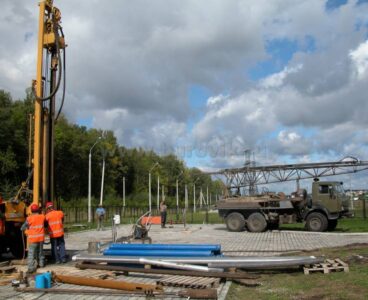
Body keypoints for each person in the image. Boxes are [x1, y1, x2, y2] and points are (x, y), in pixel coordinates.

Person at [21, 203, 45, 274]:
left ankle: (31, 268)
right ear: (38, 210)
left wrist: (23, 228)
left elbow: (23, 227)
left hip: (33, 239)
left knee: (31, 253)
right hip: (40, 238)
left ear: (31, 211)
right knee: (40, 252)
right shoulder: (42, 217)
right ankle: (41, 264)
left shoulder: (29, 218)